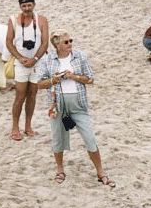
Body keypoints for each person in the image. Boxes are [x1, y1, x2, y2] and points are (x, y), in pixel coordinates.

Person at [36, 29, 114, 187]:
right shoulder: (48, 60)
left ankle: (101, 172)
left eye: (71, 41)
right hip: (57, 105)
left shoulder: (80, 56)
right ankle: (60, 169)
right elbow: (39, 84)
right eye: (66, 42)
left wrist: (74, 76)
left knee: (90, 138)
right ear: (57, 45)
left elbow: (90, 79)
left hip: (79, 105)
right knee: (58, 139)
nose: (70, 44)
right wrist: (54, 80)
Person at [5, 0, 49, 141]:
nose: (27, 8)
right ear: (20, 7)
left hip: (37, 62)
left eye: (29, 5)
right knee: (20, 95)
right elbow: (9, 42)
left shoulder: (41, 20)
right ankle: (15, 127)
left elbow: (44, 43)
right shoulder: (13, 20)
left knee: (32, 94)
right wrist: (20, 57)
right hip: (21, 63)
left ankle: (28, 125)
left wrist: (35, 59)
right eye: (24, 6)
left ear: (34, 5)